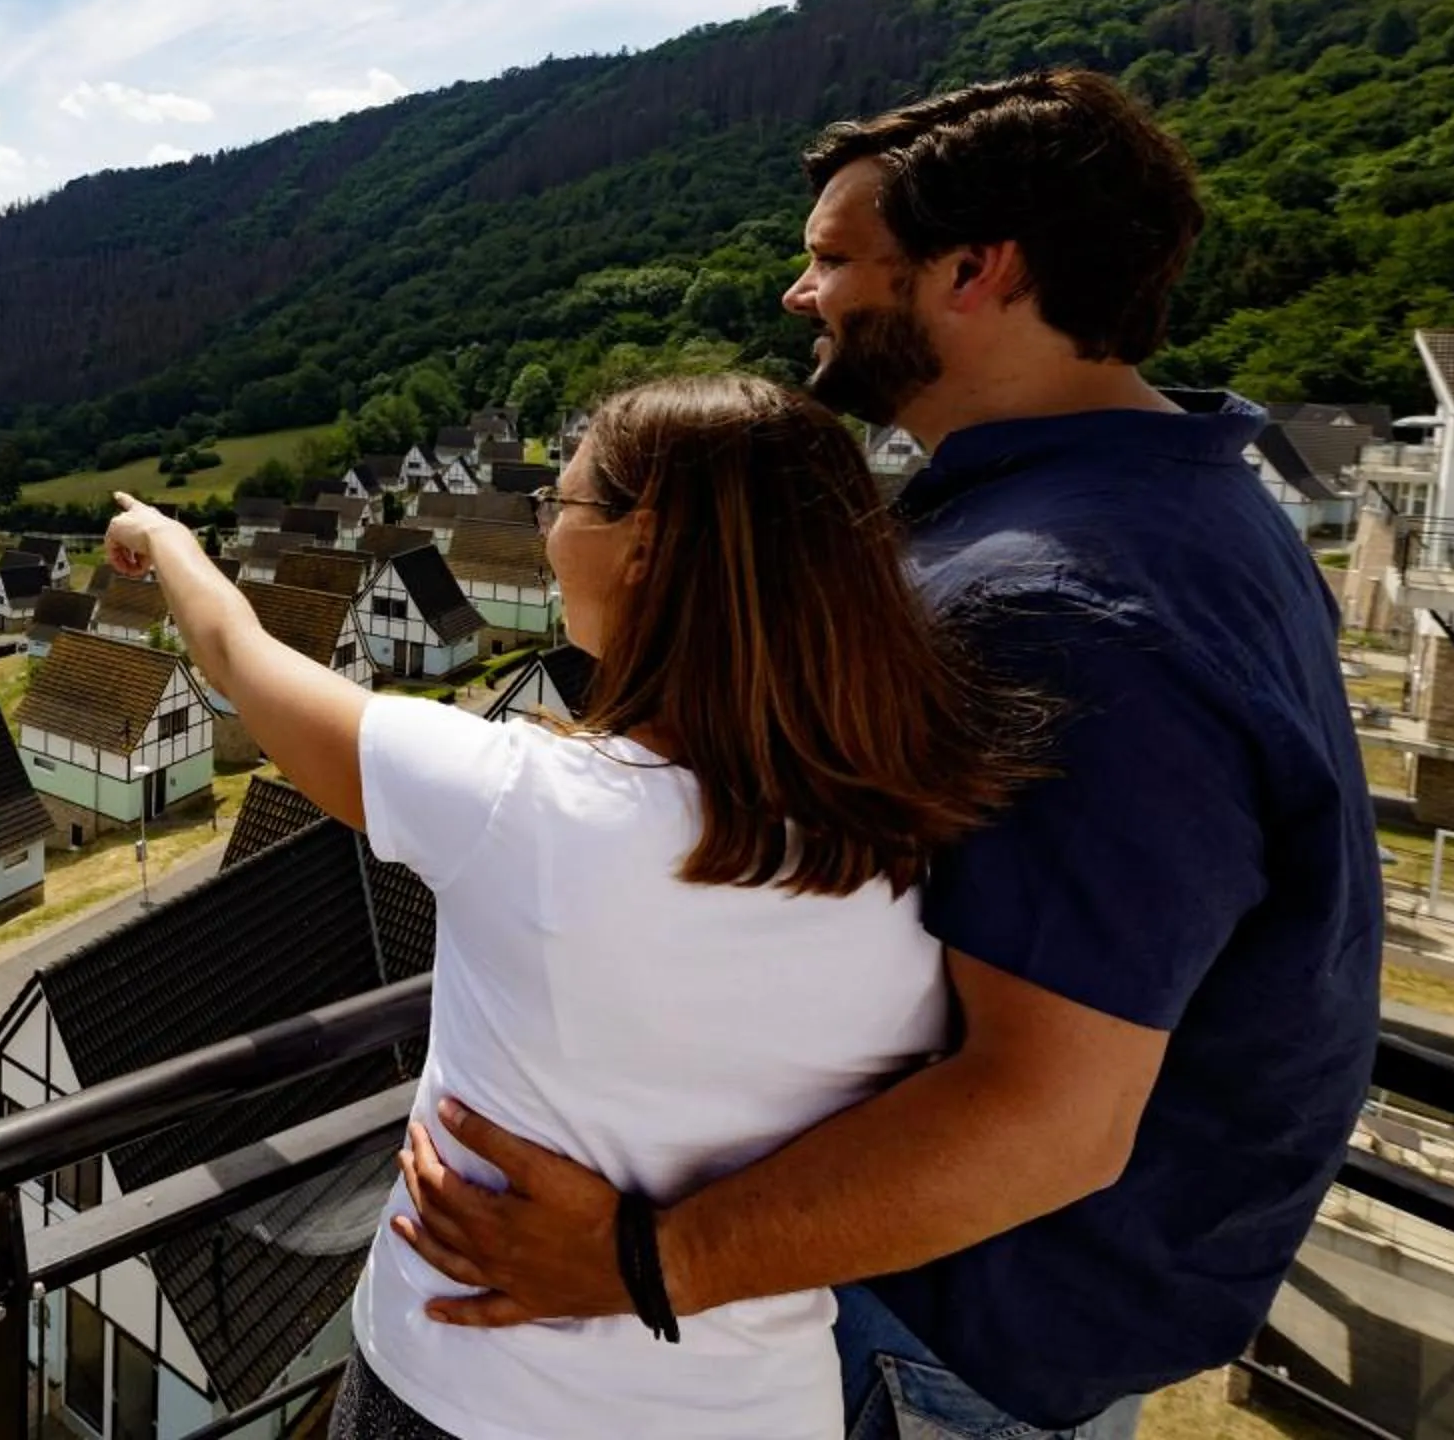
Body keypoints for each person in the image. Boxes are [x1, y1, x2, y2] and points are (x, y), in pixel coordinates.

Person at [386, 70, 1382, 1439]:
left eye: (838, 260)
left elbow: (1048, 1115)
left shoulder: (1060, 606)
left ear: (979, 271)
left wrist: (646, 1263)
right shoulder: (1194, 506)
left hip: (953, 1316)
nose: (804, 295)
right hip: (1060, 1295)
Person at [100, 370, 1046, 1439]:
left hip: (470, 1390)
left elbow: (240, 654)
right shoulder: (923, 832)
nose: (548, 529)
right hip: (754, 1407)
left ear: (643, 547)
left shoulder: (522, 805)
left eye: (569, 502)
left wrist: (169, 541)